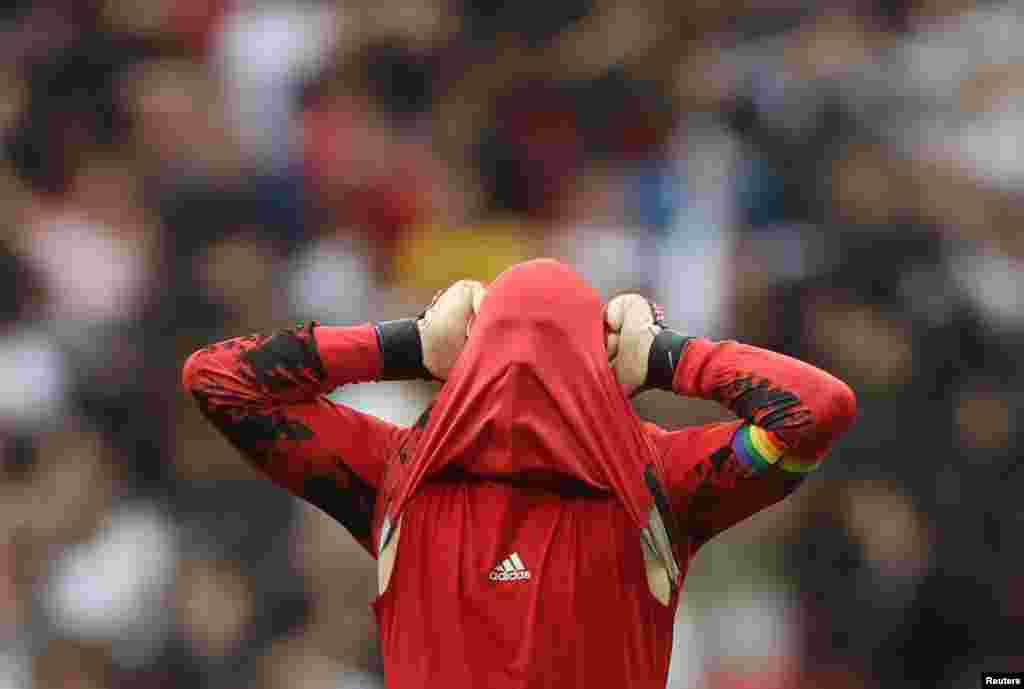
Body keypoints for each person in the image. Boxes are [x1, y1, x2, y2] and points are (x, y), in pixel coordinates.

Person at [182, 258, 856, 689]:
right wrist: (669, 357)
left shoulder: (395, 478)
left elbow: (221, 381)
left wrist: (409, 343)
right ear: (599, 368)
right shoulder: (661, 484)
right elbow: (816, 409)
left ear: (469, 362)